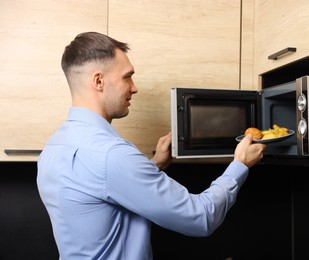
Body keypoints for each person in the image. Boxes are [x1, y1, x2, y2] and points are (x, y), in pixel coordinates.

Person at [37, 31, 267, 260]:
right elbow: (201, 217)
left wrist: (154, 165)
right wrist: (240, 164)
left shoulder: (54, 147)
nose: (134, 87)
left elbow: (101, 190)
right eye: (127, 76)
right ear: (99, 81)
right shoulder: (112, 154)